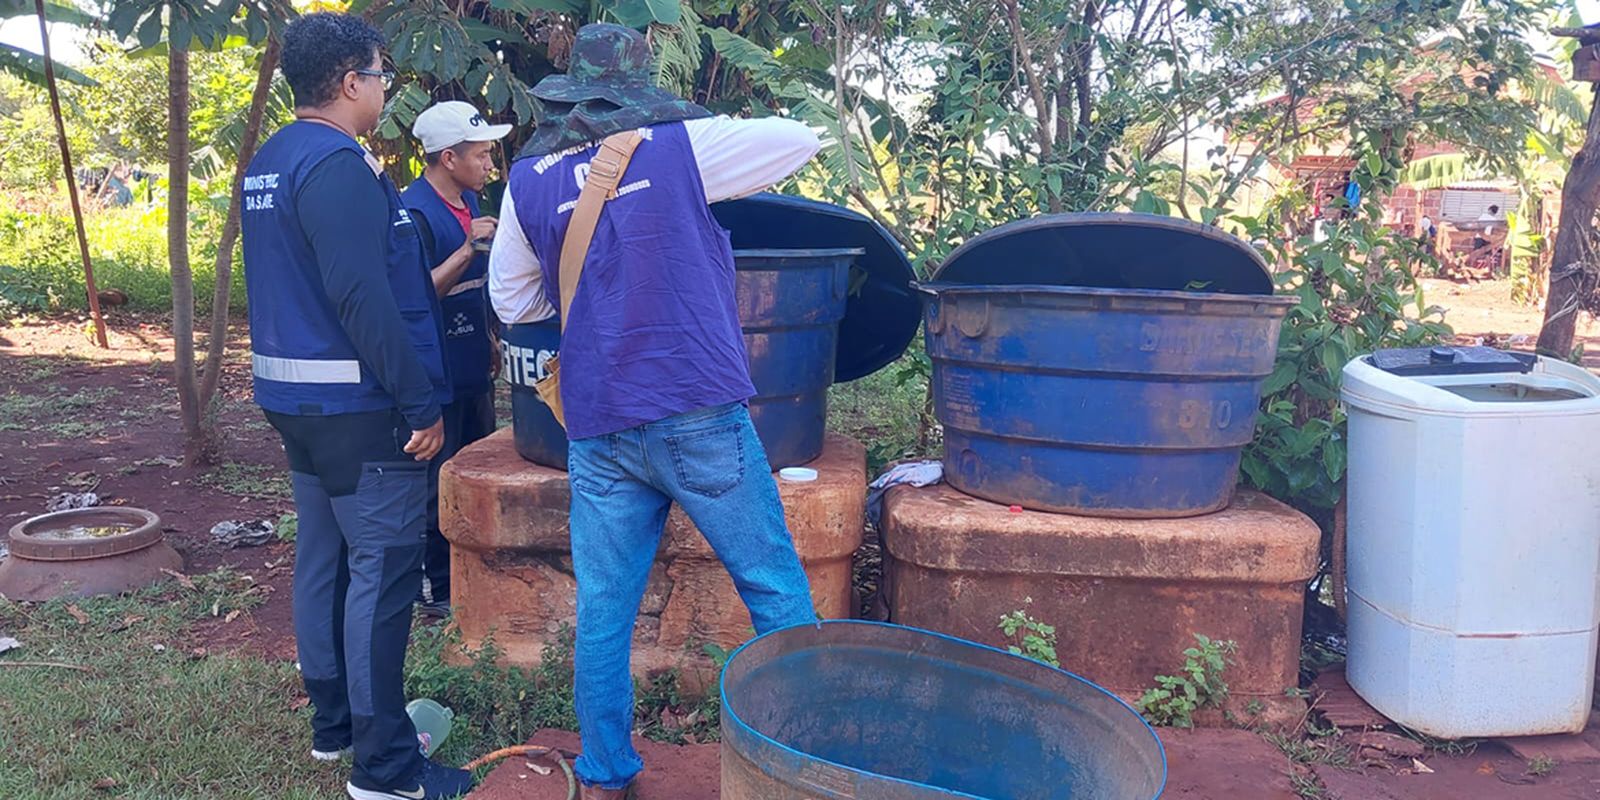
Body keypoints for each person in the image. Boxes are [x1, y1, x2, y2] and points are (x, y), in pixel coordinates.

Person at [488, 22, 821, 799]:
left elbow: (512, 300)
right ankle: (804, 768)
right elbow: (801, 139)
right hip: (695, 407)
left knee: (605, 610)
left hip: (599, 424)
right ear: (640, 91)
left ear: (571, 95)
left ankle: (606, 775)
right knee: (773, 587)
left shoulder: (528, 179)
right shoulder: (680, 148)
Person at [238, 12, 472, 800]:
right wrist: (419, 403)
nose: (383, 89)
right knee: (382, 573)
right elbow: (361, 297)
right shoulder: (337, 165)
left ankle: (334, 724)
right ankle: (386, 768)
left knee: (326, 558)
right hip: (359, 407)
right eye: (380, 75)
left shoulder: (272, 159)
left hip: (296, 400)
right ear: (349, 82)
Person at [401, 101, 511, 618]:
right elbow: (413, 294)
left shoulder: (469, 202)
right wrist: (467, 249)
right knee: (436, 481)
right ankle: (437, 587)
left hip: (471, 363)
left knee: (475, 465)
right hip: (433, 368)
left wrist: (489, 338)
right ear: (449, 158)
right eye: (481, 155)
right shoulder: (413, 214)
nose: (489, 164)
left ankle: (474, 575)